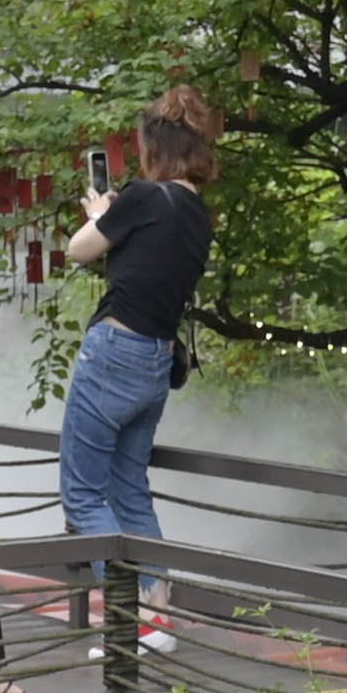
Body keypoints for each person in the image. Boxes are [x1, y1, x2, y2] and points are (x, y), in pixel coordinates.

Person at [55, 111, 213, 588]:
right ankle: (157, 617)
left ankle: (135, 615)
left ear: (155, 150)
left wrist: (101, 215)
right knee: (129, 491)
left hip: (114, 351)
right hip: (156, 361)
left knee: (83, 495)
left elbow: (79, 250)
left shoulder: (143, 197)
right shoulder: (199, 215)